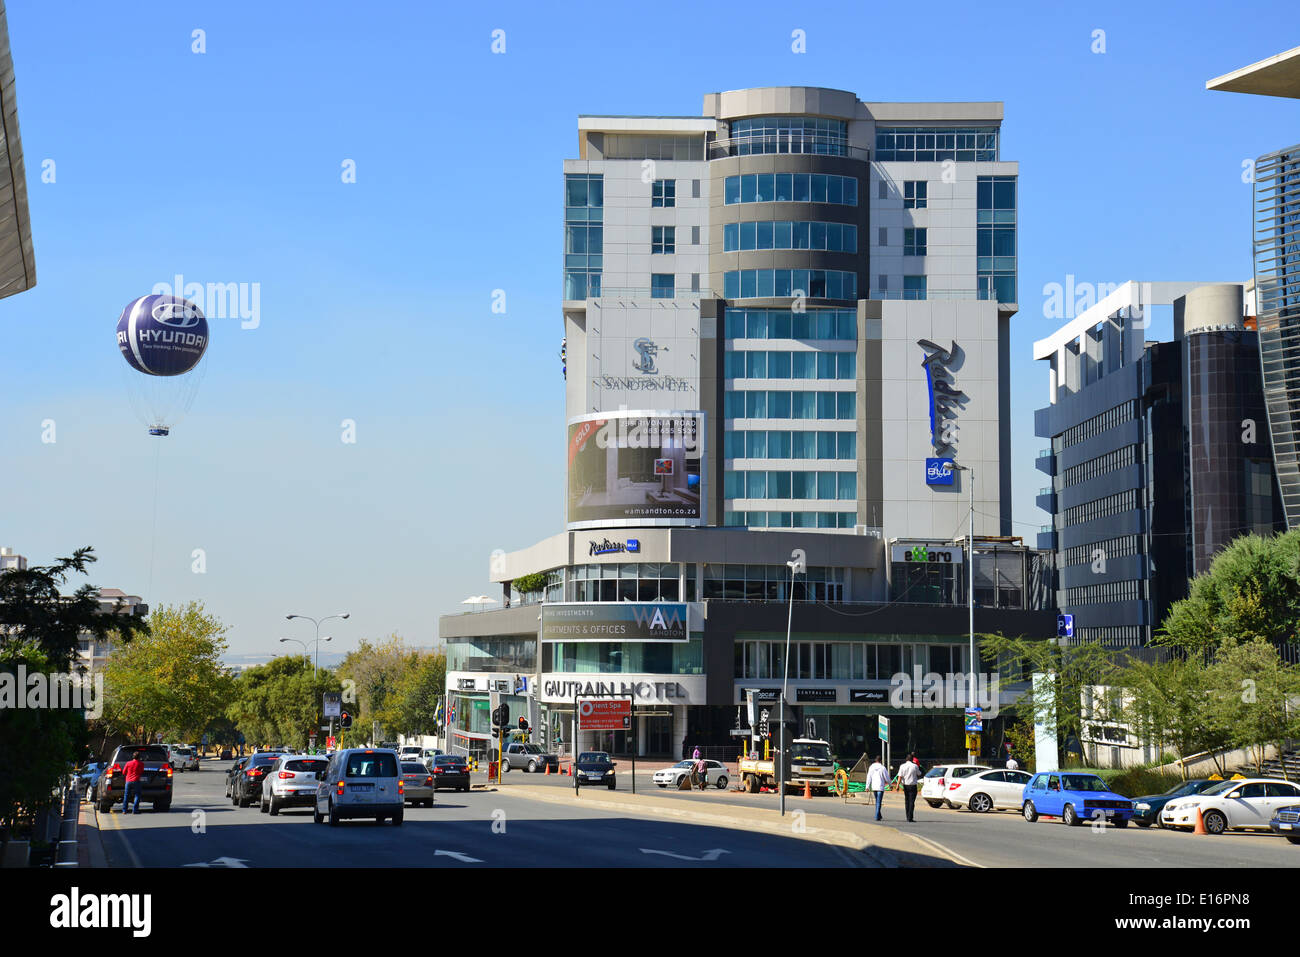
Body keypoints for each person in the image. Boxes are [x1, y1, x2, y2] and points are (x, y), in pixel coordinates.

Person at [896, 751, 922, 822]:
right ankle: (910, 817)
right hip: (913, 786)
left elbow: (900, 776)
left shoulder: (902, 766)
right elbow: (919, 773)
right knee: (912, 802)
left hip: (905, 786)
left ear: (906, 759)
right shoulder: (915, 766)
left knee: (907, 801)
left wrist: (897, 786)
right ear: (912, 759)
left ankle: (907, 816)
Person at [866, 755, 889, 821]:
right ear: (881, 760)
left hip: (874, 787)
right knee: (878, 802)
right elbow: (886, 777)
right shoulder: (882, 768)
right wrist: (890, 784)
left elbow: (869, 777)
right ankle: (876, 816)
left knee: (877, 801)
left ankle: (879, 815)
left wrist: (867, 786)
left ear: (875, 760)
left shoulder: (871, 767)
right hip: (880, 787)